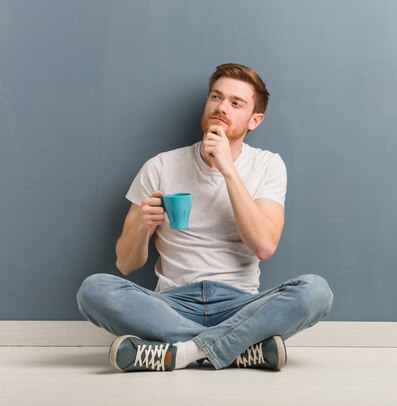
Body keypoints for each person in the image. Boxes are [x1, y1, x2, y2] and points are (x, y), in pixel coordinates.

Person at [76, 63, 333, 372]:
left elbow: (264, 246)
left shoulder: (268, 165)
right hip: (171, 304)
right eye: (216, 97)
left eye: (236, 103)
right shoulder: (160, 166)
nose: (221, 107)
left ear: (255, 120)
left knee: (316, 292)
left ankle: (181, 353)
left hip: (241, 305)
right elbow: (125, 263)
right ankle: (237, 350)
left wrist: (227, 169)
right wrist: (143, 226)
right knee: (94, 290)